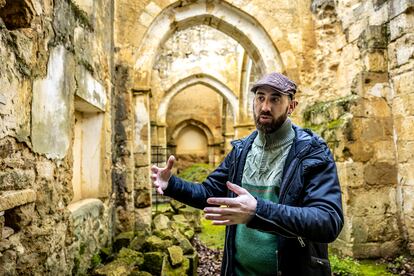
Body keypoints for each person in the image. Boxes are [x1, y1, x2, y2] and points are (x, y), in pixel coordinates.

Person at [151, 72, 344, 276]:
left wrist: (257, 211)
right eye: (260, 97)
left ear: (291, 106)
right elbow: (209, 192)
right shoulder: (242, 150)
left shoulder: (312, 152)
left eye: (275, 98)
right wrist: (171, 184)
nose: (265, 107)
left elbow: (328, 220)